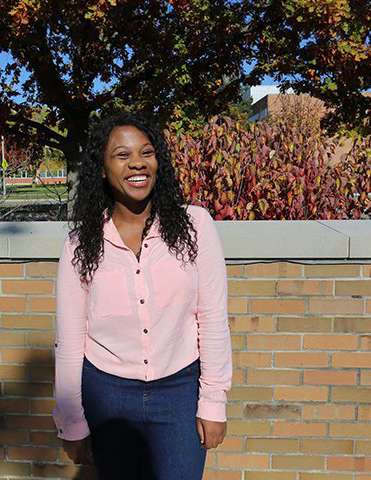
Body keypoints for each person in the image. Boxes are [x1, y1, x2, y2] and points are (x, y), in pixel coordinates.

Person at [53, 113, 232, 479]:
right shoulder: (80, 244)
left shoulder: (195, 226)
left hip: (180, 390)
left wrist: (213, 402)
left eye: (146, 152)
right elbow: (70, 338)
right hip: (107, 394)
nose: (137, 162)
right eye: (122, 154)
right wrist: (71, 421)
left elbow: (212, 318)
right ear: (102, 169)